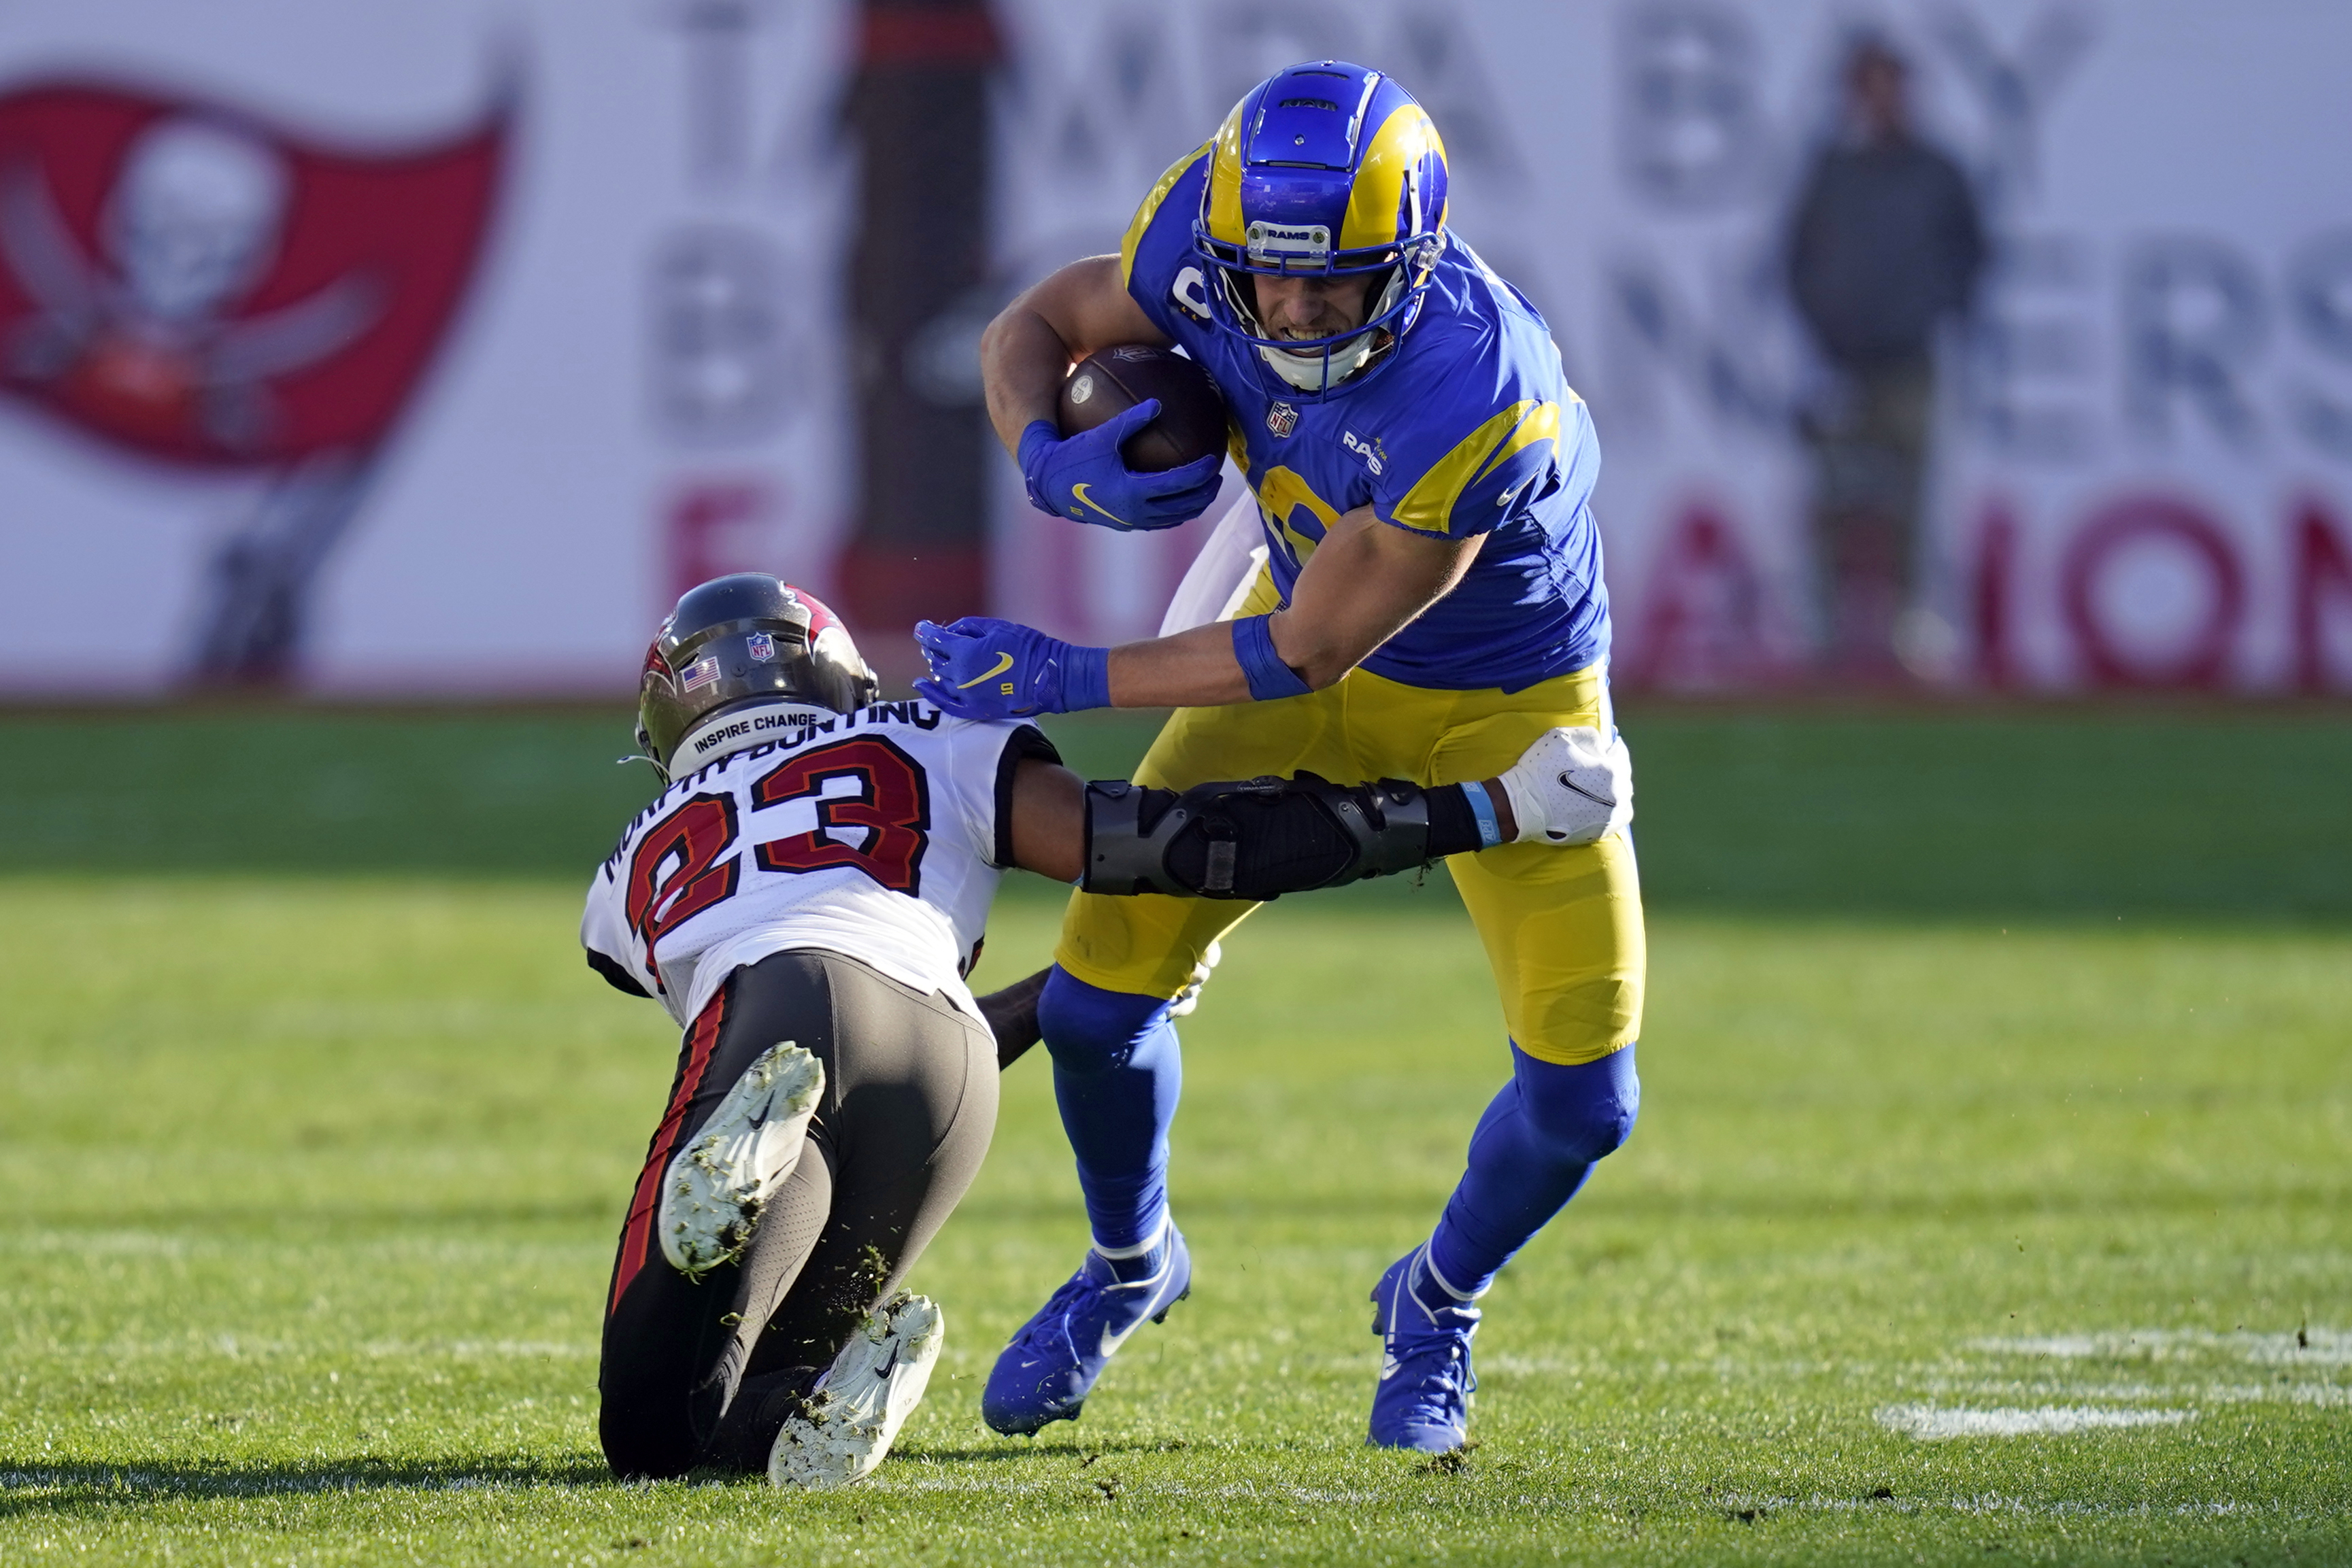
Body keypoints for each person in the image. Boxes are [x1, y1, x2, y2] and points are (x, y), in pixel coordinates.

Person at [911, 63, 1644, 1454]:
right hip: (1290, 623)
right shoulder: (1206, 231)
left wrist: (1071, 672)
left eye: (1336, 283)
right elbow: (1041, 321)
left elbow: (1307, 652)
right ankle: (1131, 1267)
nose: (1296, 309)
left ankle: (1438, 1300)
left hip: (1491, 695)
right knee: (1089, 1005)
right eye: (1273, 281)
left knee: (1585, 1103)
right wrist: (1039, 456)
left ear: (1411, 263)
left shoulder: (1478, 387)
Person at [585, 572, 1632, 1485]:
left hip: (778, 1011)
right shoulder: (921, 736)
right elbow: (1168, 846)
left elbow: (784, 961)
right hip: (948, 1073)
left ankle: (741, 1173)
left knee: (641, 1425)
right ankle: (803, 1401)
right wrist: (1482, 811)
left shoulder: (630, 865)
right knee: (722, 1425)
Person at [1784, 34, 1986, 679]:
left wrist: (1931, 309)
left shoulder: (1936, 172)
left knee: (1910, 498)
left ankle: (1911, 633)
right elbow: (1796, 259)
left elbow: (1972, 254)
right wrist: (1823, 328)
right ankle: (1824, 635)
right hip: (1839, 367)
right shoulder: (1831, 173)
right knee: (1834, 500)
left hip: (1908, 363)